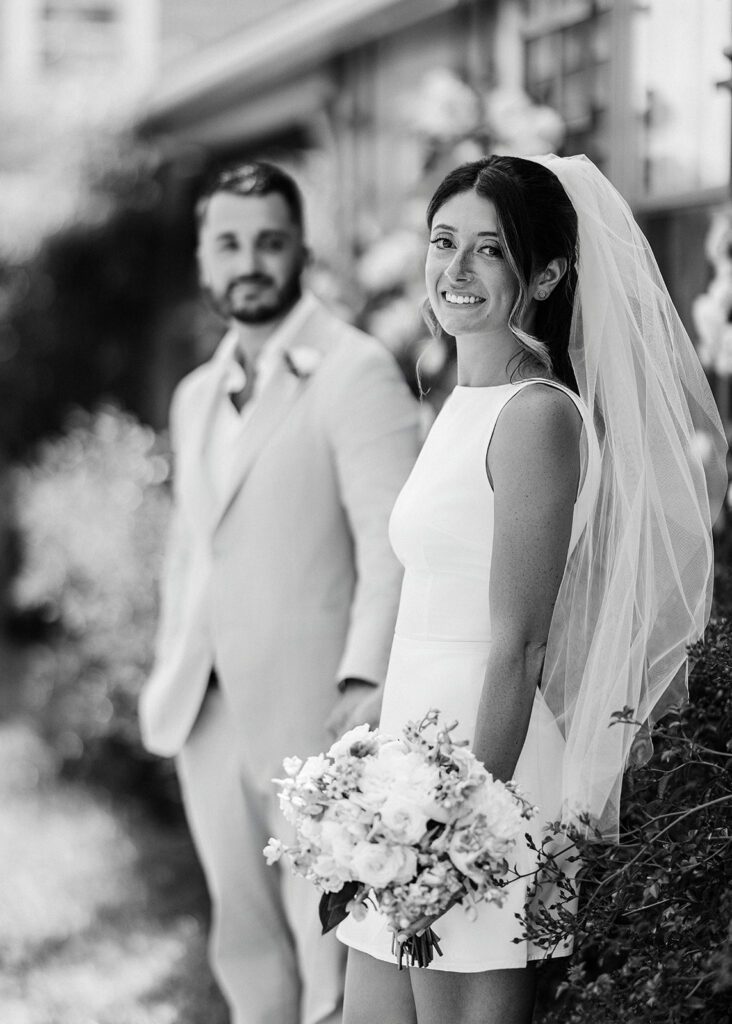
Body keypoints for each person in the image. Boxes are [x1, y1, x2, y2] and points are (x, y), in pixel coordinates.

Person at [336, 154, 727, 1024]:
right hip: (411, 764)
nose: (457, 270)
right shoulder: (458, 401)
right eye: (445, 242)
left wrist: (461, 828)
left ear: (546, 273)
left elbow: (520, 646)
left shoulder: (537, 415)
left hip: (481, 774)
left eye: (492, 250)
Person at [138, 161, 421, 1024]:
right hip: (206, 710)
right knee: (244, 947)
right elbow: (192, 549)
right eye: (229, 243)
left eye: (269, 242)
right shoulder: (194, 396)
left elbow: (391, 546)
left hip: (316, 718)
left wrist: (361, 684)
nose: (250, 261)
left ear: (301, 250)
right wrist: (167, 666)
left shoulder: (354, 370)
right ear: (203, 257)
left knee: (329, 955)